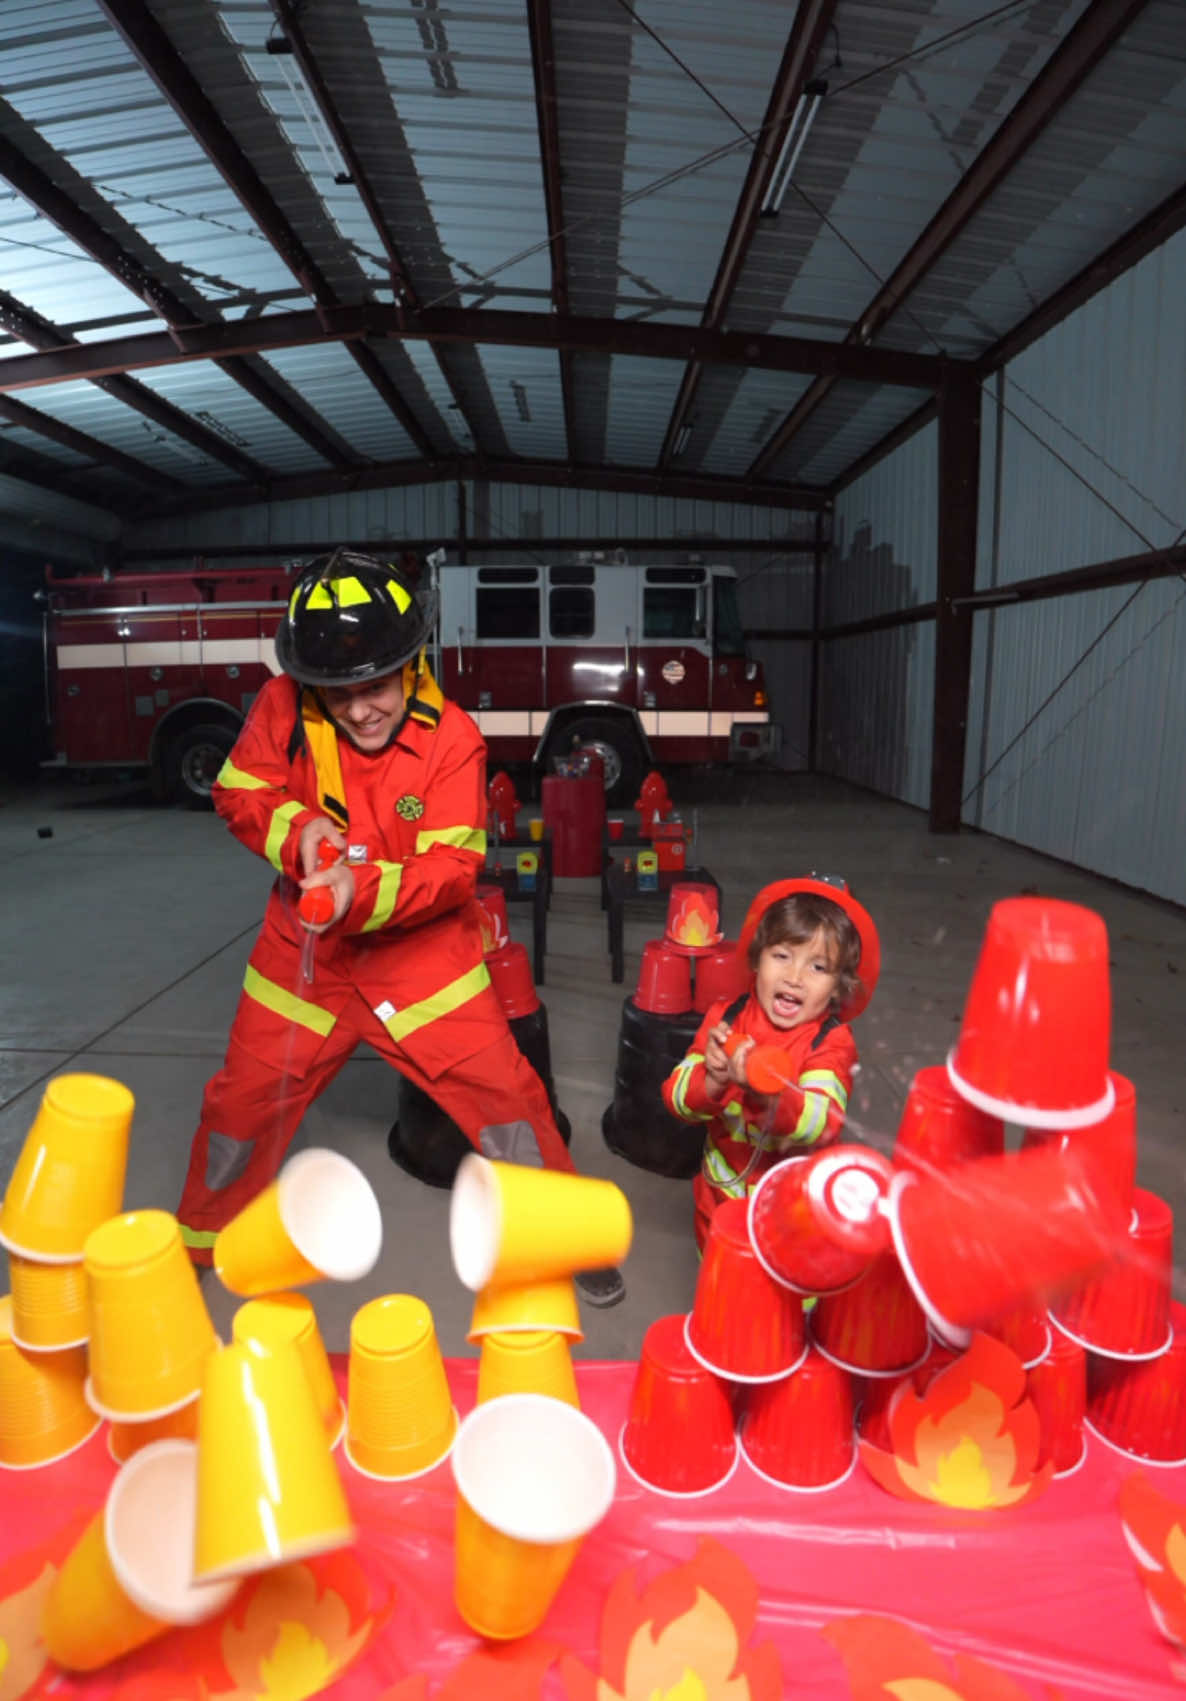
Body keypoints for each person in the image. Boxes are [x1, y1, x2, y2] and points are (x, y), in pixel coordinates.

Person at [176, 548, 625, 1306]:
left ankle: (568, 1237)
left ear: (412, 662)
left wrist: (359, 886)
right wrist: (300, 836)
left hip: (423, 967)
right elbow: (239, 791)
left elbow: (451, 868)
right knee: (241, 1101)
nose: (359, 709)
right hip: (304, 963)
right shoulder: (283, 705)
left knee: (506, 1101)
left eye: (375, 686)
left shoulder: (454, 740)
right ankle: (202, 1236)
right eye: (338, 692)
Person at [661, 876, 880, 1249]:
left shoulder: (830, 1042)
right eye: (781, 956)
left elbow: (822, 1121)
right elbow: (676, 1099)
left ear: (838, 986)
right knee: (725, 1295)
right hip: (720, 1209)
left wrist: (765, 1095)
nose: (794, 978)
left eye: (818, 968)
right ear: (756, 959)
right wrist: (712, 1080)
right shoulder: (724, 1019)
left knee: (789, 1303)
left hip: (793, 1219)